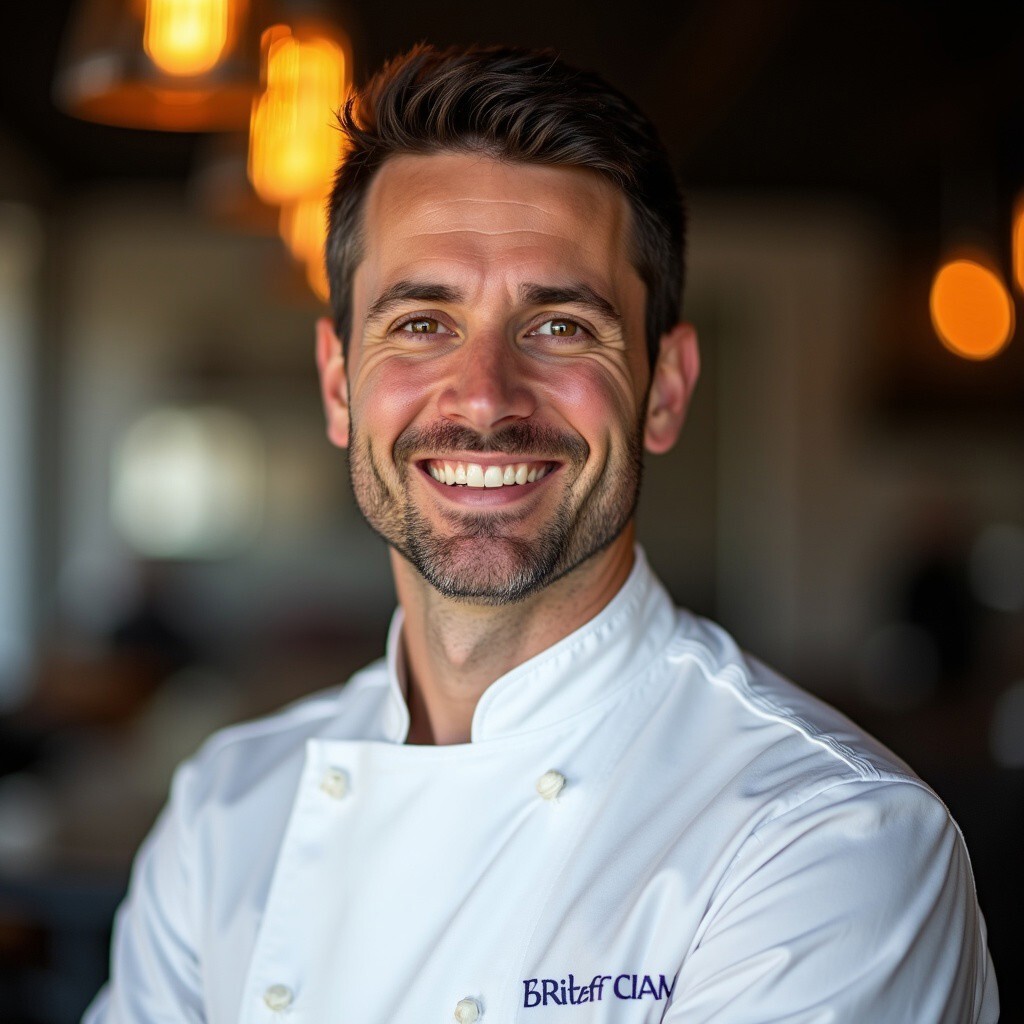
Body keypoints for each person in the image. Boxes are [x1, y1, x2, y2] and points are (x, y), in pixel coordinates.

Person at [85, 44, 999, 1023]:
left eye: (561, 325)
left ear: (665, 389)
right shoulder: (226, 809)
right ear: (338, 383)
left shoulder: (826, 841)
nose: (484, 399)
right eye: (421, 323)